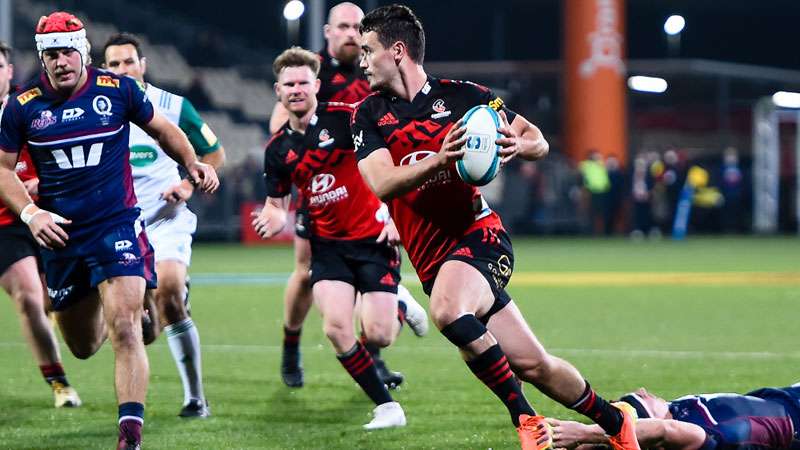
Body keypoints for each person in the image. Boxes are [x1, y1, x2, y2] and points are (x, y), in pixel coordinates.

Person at [351, 5, 640, 449]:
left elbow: (537, 139)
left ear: (398, 51)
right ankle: (616, 423)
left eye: (368, 51)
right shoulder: (367, 115)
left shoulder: (464, 97)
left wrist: (517, 146)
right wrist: (441, 160)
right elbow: (382, 183)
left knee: (448, 312)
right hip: (432, 261)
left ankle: (526, 421)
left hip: (480, 238)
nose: (362, 62)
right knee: (534, 365)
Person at [0, 13, 218, 450]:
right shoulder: (23, 107)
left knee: (126, 328)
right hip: (62, 236)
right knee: (83, 345)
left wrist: (191, 162)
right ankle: (123, 304)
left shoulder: (117, 89)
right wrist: (32, 214)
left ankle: (129, 437)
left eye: (68, 51)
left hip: (116, 224)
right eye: (51, 54)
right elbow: (3, 170)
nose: (61, 61)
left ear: (83, 50)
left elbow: (165, 129)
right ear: (42, 58)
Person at [252, 46, 410, 429]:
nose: (296, 90)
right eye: (289, 84)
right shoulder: (277, 150)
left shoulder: (347, 119)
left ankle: (401, 304)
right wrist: (273, 217)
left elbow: (396, 157)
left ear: (316, 86)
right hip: (327, 246)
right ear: (278, 90)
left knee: (380, 335)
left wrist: (396, 215)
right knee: (337, 328)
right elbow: (277, 203)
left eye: (303, 83)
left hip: (373, 239)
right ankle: (387, 407)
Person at [269, 1, 424, 390]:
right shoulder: (312, 73)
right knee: (307, 272)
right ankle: (291, 346)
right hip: (322, 189)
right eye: (343, 26)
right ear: (328, 32)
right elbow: (279, 127)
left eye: (358, 27)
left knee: (369, 275)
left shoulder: (378, 70)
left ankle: (374, 353)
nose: (351, 34)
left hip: (369, 187)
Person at [103, 32, 226, 418]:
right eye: (114, 64)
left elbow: (214, 153)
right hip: (120, 226)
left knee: (170, 295)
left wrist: (188, 185)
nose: (123, 69)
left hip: (165, 219)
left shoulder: (173, 106)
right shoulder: (96, 110)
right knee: (136, 328)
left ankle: (195, 398)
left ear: (143, 64)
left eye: (129, 62)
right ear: (104, 69)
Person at [0, 40, 81, 409]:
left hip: (48, 212)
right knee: (29, 296)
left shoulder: (32, 104)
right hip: (5, 223)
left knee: (56, 302)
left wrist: (42, 183)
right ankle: (59, 383)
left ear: (9, 71)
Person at [547, 383, 800, 450]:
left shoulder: (677, 413)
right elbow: (661, 432)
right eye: (640, 398)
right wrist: (584, 432)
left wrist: (578, 440)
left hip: (786, 397)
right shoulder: (701, 433)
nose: (643, 391)